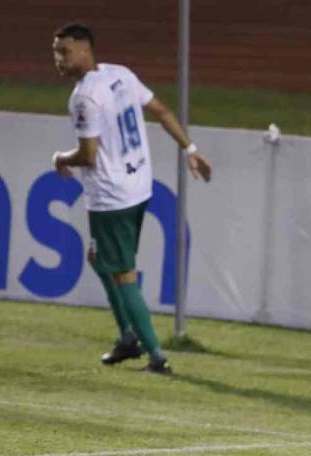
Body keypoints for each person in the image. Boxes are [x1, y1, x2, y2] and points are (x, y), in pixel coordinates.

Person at [51, 23, 212, 373]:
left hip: (110, 197)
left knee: (123, 273)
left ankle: (155, 355)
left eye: (63, 51)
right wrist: (191, 149)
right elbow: (162, 110)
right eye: (55, 52)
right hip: (139, 187)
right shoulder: (120, 75)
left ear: (85, 49)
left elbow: (88, 155)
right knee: (98, 257)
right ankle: (127, 336)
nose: (58, 60)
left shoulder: (84, 96)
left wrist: (60, 159)